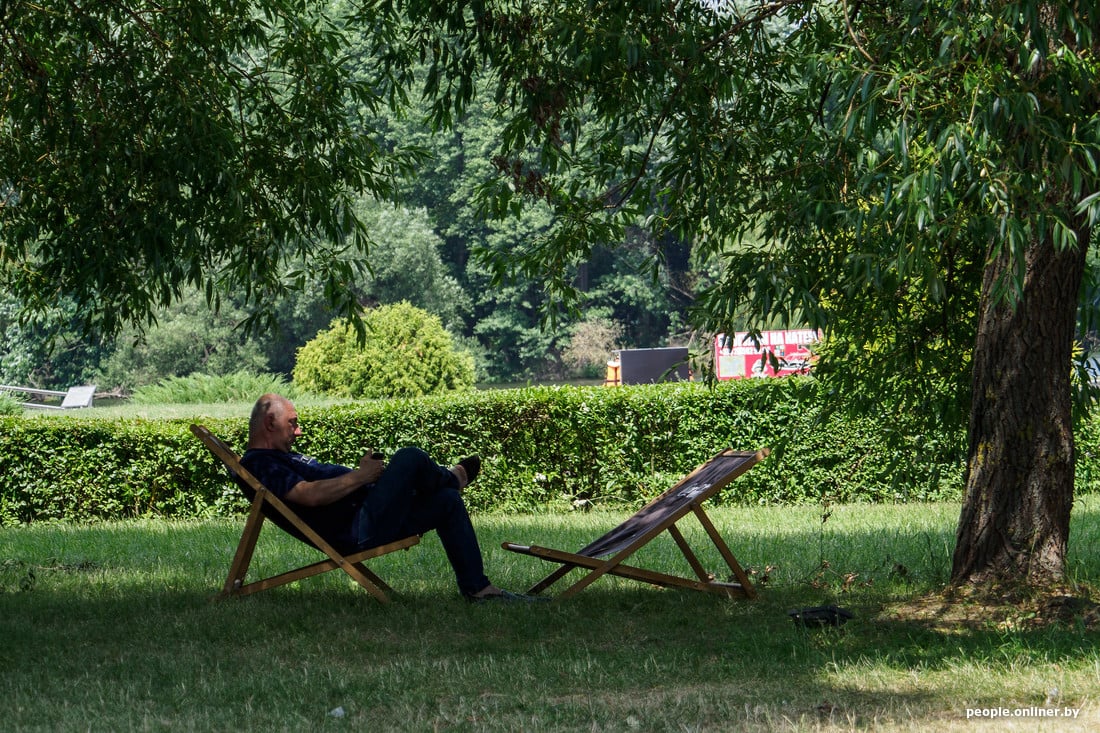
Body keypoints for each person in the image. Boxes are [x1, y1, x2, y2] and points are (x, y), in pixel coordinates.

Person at [240, 393, 541, 602]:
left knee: (448, 502)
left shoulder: (283, 457)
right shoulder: (260, 463)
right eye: (293, 422)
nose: (299, 430)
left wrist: (369, 478)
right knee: (409, 458)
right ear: (269, 423)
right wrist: (361, 476)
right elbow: (307, 496)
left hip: (370, 512)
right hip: (358, 528)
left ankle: (479, 589)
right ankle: (452, 478)